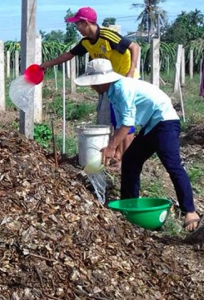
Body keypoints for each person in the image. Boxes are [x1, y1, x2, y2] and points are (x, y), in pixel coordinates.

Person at [73, 58, 201, 231]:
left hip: (165, 122)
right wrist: (115, 150)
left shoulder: (122, 89)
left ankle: (190, 211)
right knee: (131, 160)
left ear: (103, 81)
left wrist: (111, 147)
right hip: (151, 125)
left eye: (93, 83)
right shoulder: (112, 93)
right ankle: (127, 205)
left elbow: (126, 124)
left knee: (173, 165)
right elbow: (122, 126)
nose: (92, 87)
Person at [40, 6, 140, 167]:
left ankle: (123, 159)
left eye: (78, 24)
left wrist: (131, 72)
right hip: (107, 83)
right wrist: (46, 65)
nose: (77, 28)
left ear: (86, 23)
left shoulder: (108, 36)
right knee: (111, 118)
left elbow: (134, 47)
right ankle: (114, 155)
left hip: (124, 80)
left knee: (123, 120)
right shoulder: (86, 42)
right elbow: (69, 55)